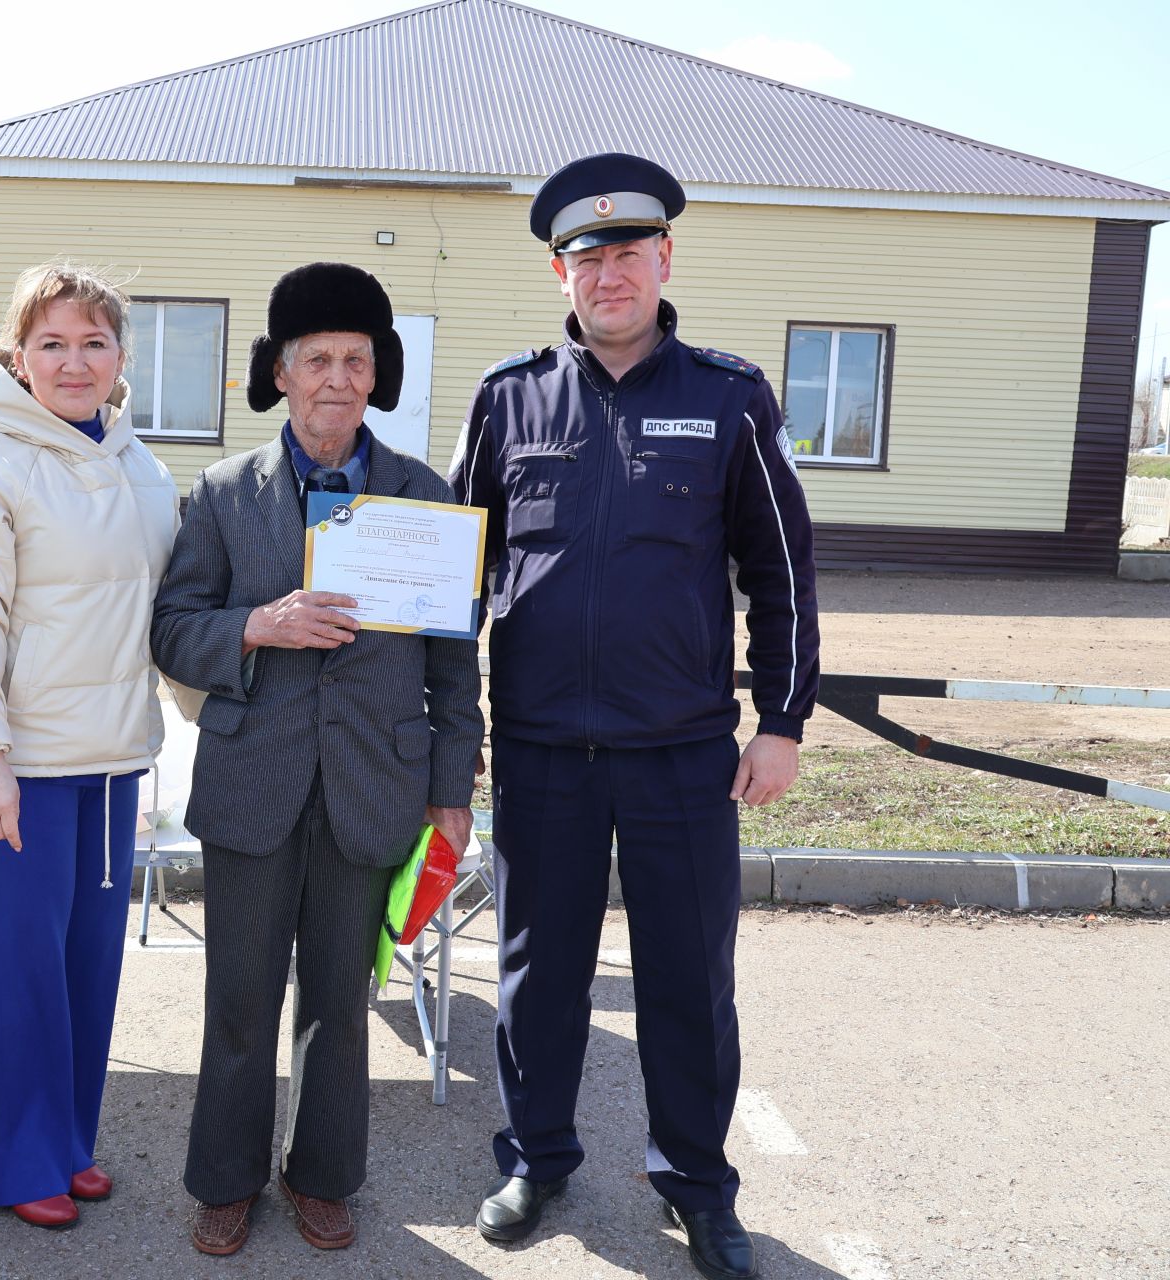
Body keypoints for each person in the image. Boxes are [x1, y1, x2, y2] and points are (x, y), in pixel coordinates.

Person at [450, 153, 820, 1280]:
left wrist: (784, 717)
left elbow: (783, 570)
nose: (607, 274)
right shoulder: (510, 397)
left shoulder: (728, 395)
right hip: (543, 747)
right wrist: (437, 726)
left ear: (666, 259)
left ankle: (698, 1186)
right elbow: (454, 571)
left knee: (686, 981)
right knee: (535, 973)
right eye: (585, 257)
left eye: (627, 253)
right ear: (561, 274)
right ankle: (539, 1156)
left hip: (682, 753)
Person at [151, 262, 484, 1256]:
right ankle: (224, 1178)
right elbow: (172, 629)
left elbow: (455, 664)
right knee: (240, 999)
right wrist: (260, 623)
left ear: (376, 374)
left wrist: (450, 785)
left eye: (355, 359)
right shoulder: (222, 495)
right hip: (253, 784)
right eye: (316, 359)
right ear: (282, 374)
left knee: (341, 1000)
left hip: (373, 787)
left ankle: (326, 1175)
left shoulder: (425, 499)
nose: (336, 377)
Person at [0, 261, 177, 1230]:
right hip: (19, 764)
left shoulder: (135, 459)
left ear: (121, 357)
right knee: (19, 965)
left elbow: (166, 604)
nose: (75, 361)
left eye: (95, 342)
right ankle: (12, 1158)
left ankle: (68, 1140)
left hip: (112, 758)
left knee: (86, 965)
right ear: (19, 356)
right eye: (53, 343)